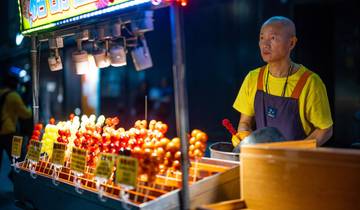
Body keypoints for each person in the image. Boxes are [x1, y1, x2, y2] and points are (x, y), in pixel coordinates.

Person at [232, 16, 333, 147]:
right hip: (262, 160)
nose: (264, 44)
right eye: (262, 38)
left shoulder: (310, 83)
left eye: (272, 38)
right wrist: (245, 137)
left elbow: (325, 130)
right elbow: (244, 122)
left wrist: (296, 152)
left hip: (297, 163)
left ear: (291, 43)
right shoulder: (253, 78)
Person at [0, 69, 32, 179]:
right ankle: (17, 180)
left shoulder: (1, 93)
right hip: (8, 131)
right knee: (17, 159)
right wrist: (29, 107)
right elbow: (26, 114)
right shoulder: (13, 95)